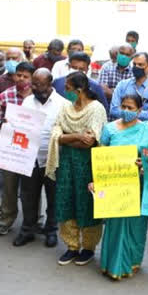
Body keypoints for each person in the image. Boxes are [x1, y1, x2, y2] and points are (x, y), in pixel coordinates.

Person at [46, 71, 107, 266]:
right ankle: (72, 246)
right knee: (66, 201)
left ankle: (88, 247)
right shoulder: (66, 107)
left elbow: (89, 141)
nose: (65, 92)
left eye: (69, 89)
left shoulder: (96, 109)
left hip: (88, 164)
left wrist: (64, 138)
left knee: (87, 204)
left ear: (79, 90)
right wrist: (73, 137)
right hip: (66, 164)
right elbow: (56, 131)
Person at [97, 94, 148, 279]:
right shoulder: (109, 129)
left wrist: (144, 164)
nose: (126, 111)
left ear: (139, 110)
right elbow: (100, 156)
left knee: (136, 224)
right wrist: (96, 181)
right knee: (115, 223)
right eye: (123, 106)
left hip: (138, 184)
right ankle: (112, 263)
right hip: (115, 184)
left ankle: (131, 261)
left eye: (131, 108)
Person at [13, 68, 67, 248]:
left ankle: (51, 231)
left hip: (53, 160)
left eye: (39, 85)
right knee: (28, 196)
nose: (33, 87)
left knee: (53, 197)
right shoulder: (28, 101)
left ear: (50, 84)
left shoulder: (63, 104)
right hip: (29, 158)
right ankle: (28, 229)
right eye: (33, 84)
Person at [0, 61, 33, 237]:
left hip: (30, 149)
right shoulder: (5, 96)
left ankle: (33, 220)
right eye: (19, 75)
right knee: (8, 187)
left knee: (30, 189)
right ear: (14, 75)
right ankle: (6, 220)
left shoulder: (37, 97)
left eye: (26, 76)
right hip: (9, 148)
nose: (22, 79)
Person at [109, 52, 148, 122]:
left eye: (140, 65)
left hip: (142, 130)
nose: (136, 67)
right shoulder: (122, 85)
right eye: (134, 64)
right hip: (121, 128)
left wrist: (126, 111)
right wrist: (135, 112)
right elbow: (113, 110)